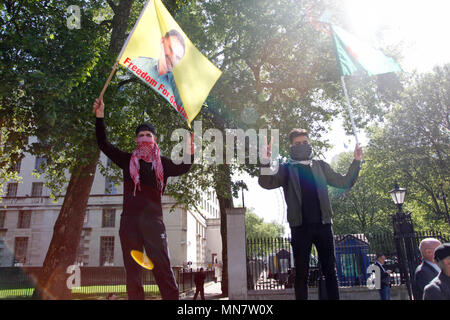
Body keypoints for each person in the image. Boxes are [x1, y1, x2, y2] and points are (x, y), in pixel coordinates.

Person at [93, 97, 194, 300]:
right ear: (136, 140)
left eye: (149, 135)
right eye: (141, 135)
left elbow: (183, 167)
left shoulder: (163, 164)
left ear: (154, 139)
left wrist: (190, 153)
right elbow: (103, 144)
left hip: (154, 224)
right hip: (129, 223)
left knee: (163, 268)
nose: (145, 138)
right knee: (133, 274)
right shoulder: (126, 160)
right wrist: (100, 116)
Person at [258, 128, 363, 300]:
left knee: (330, 271)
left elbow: (344, 182)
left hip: (324, 225)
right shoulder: (285, 169)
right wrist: (265, 161)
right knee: (301, 274)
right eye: (297, 144)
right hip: (300, 228)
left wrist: (356, 161)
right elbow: (266, 183)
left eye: (305, 143)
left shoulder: (321, 166)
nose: (301, 146)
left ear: (309, 144)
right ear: (291, 147)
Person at [130, 29, 185, 108]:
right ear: (162, 42)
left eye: (177, 57)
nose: (172, 58)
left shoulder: (177, 93)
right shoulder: (139, 63)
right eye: (171, 49)